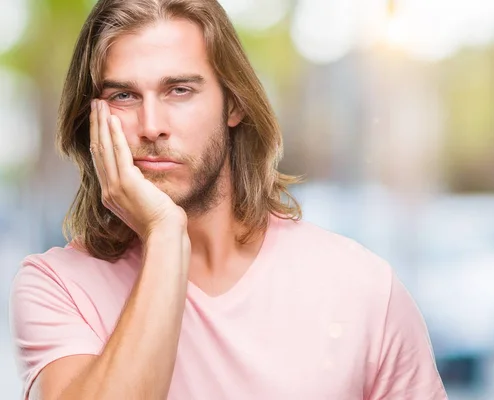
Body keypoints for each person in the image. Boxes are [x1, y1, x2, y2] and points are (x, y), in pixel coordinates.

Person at [9, 0, 448, 399]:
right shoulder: (57, 288)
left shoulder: (364, 289)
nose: (151, 126)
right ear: (91, 120)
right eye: (123, 95)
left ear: (233, 104)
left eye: (179, 90)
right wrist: (165, 235)